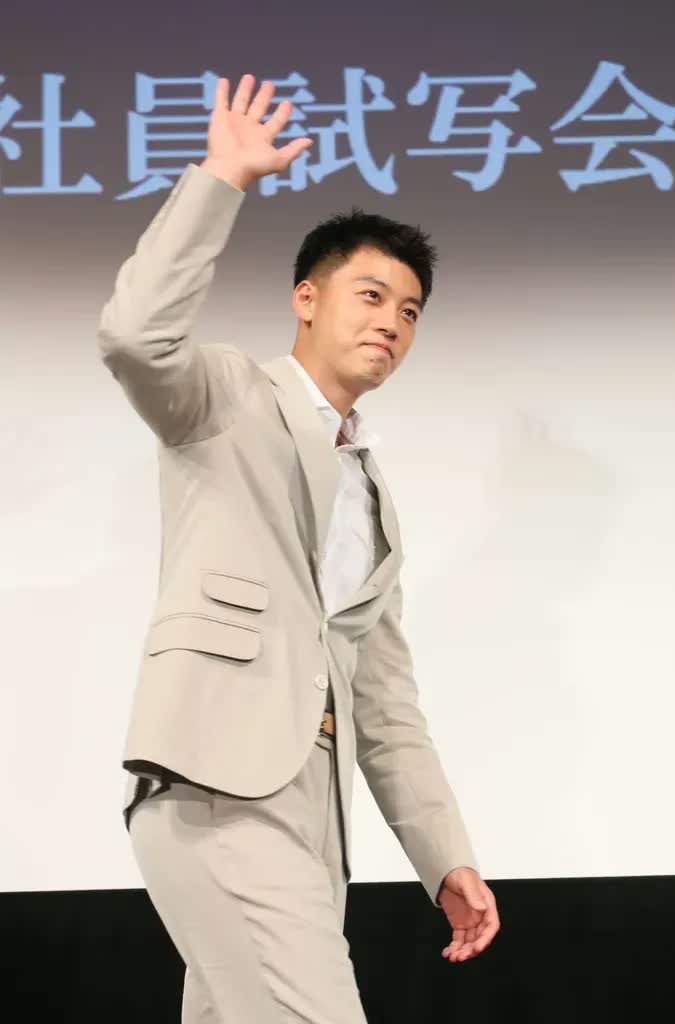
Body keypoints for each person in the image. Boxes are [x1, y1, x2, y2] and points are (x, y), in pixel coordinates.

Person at [98, 73, 500, 1023]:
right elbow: (133, 339)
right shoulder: (227, 397)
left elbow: (383, 704)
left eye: (410, 311)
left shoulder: (371, 492)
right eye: (371, 294)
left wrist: (443, 855)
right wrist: (220, 180)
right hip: (215, 787)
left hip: (310, 816)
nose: (391, 323)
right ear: (306, 298)